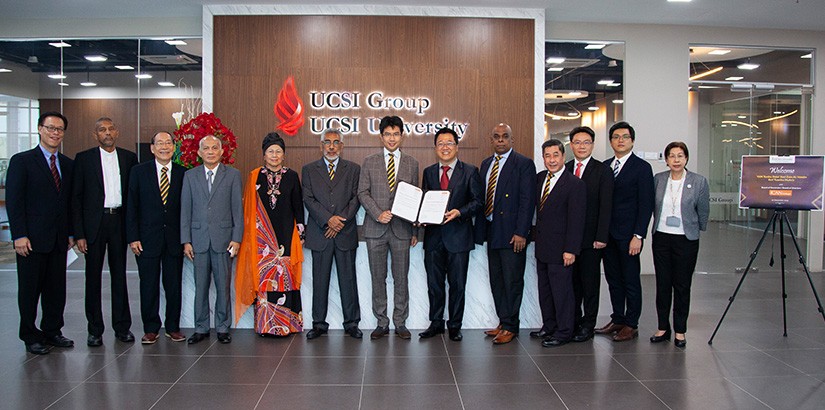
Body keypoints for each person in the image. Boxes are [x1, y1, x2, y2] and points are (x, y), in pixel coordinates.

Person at [7, 111, 75, 355]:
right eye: (50, 128)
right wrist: (19, 235)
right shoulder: (22, 161)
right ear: (39, 129)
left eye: (59, 129)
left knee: (56, 289)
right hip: (31, 240)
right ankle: (29, 335)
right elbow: (14, 202)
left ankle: (52, 331)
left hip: (58, 239)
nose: (55, 133)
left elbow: (68, 203)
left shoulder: (67, 165)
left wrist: (70, 234)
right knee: (29, 289)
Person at [71, 117, 138, 347]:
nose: (107, 133)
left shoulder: (129, 158)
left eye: (110, 129)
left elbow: (134, 197)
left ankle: (122, 327)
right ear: (95, 135)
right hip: (94, 224)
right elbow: (76, 198)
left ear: (117, 132)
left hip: (118, 221)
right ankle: (95, 330)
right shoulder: (83, 159)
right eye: (102, 129)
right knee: (93, 278)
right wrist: (79, 233)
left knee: (120, 276)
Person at [236, 133, 305, 337]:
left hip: (286, 235)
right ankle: (266, 325)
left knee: (286, 280)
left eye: (278, 151)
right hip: (261, 238)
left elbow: (298, 205)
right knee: (265, 280)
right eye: (270, 152)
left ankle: (287, 325)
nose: (274, 155)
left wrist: (300, 230)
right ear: (264, 155)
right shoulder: (254, 176)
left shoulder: (292, 176)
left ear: (283, 155)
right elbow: (248, 208)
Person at [419, 128, 484, 342]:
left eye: (449, 143)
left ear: (457, 146)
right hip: (434, 237)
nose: (445, 147)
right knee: (434, 284)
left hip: (459, 237)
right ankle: (436, 323)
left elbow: (477, 202)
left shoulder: (470, 171)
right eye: (440, 143)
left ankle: (455, 325)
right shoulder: (429, 172)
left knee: (458, 285)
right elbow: (425, 202)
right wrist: (420, 216)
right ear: (435, 148)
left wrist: (460, 212)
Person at [474, 123, 536, 344]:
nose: (500, 140)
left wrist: (522, 232)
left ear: (512, 139)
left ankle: (511, 326)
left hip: (513, 234)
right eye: (496, 136)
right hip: (492, 230)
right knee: (497, 280)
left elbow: (528, 201)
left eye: (505, 136)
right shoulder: (486, 164)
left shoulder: (524, 164)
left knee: (512, 280)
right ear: (491, 140)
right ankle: (503, 321)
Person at [358, 115, 419, 340]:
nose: (392, 138)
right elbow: (362, 192)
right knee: (378, 277)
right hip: (376, 229)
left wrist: (414, 231)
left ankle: (400, 322)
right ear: (381, 136)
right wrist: (377, 213)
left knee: (401, 277)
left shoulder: (412, 163)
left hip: (402, 230)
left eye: (396, 134)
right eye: (388, 134)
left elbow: (415, 198)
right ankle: (382, 322)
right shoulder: (369, 161)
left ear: (402, 136)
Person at [181, 135, 243, 344]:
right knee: (201, 287)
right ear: (199, 152)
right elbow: (185, 210)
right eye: (205, 148)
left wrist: (236, 238)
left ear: (222, 151)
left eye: (214, 148)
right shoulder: (190, 176)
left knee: (223, 286)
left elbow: (237, 210)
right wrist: (186, 240)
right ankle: (201, 327)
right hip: (198, 240)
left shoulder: (233, 175)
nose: (210, 151)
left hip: (224, 240)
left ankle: (223, 327)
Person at [126, 131, 186, 344]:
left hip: (174, 239)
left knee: (173, 285)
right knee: (148, 285)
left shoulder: (182, 173)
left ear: (173, 147)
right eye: (159, 143)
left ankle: (173, 327)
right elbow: (131, 207)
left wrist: (185, 239)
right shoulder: (138, 172)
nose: (164, 147)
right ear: (152, 148)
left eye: (168, 143)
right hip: (146, 240)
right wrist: (133, 237)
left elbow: (186, 210)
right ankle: (151, 328)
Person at [596, 121, 654, 342]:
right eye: (616, 137)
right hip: (607, 235)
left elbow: (645, 204)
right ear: (611, 141)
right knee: (613, 279)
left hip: (629, 236)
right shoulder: (606, 165)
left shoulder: (641, 168)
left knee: (630, 279)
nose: (620, 140)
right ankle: (618, 318)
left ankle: (631, 323)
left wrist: (638, 235)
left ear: (632, 141)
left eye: (625, 137)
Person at [301, 128, 362, 339]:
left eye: (336, 142)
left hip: (345, 233)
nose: (332, 146)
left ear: (342, 146)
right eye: (327, 142)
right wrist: (328, 220)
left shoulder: (353, 169)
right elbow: (308, 199)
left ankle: (352, 323)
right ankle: (318, 323)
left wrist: (339, 222)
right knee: (320, 280)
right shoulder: (309, 169)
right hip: (320, 233)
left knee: (348, 280)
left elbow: (356, 199)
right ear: (321, 146)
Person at [650, 142, 709, 348]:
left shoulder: (698, 181)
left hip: (686, 239)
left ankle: (680, 330)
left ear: (686, 159)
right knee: (663, 284)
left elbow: (703, 211)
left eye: (680, 156)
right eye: (672, 156)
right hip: (662, 238)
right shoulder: (658, 179)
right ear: (666, 160)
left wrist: (695, 228)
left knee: (682, 285)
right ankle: (663, 327)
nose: (676, 160)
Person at [532, 139, 586, 347]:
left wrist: (570, 249)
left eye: (555, 155)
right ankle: (550, 325)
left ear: (564, 157)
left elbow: (576, 220)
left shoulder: (574, 184)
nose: (551, 160)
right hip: (543, 246)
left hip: (562, 249)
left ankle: (564, 331)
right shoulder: (539, 180)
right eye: (547, 155)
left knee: (562, 291)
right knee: (545, 290)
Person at [564, 126, 613, 343]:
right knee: (572, 283)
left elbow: (606, 206)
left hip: (592, 240)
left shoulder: (602, 170)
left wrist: (601, 236)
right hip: (569, 240)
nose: (581, 146)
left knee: (590, 284)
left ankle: (588, 324)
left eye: (586, 142)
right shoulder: (564, 169)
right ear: (571, 145)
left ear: (592, 145)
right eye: (577, 142)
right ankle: (573, 321)